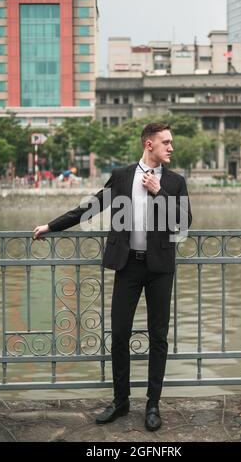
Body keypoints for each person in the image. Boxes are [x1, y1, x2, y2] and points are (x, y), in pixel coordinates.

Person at [33, 122, 192, 431]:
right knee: (119, 333)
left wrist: (159, 193)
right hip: (128, 265)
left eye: (171, 142)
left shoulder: (175, 181)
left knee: (158, 336)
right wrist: (51, 226)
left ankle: (153, 404)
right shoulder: (121, 176)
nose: (171, 147)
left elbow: (184, 223)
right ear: (149, 144)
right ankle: (121, 401)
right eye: (166, 142)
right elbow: (89, 208)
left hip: (160, 268)